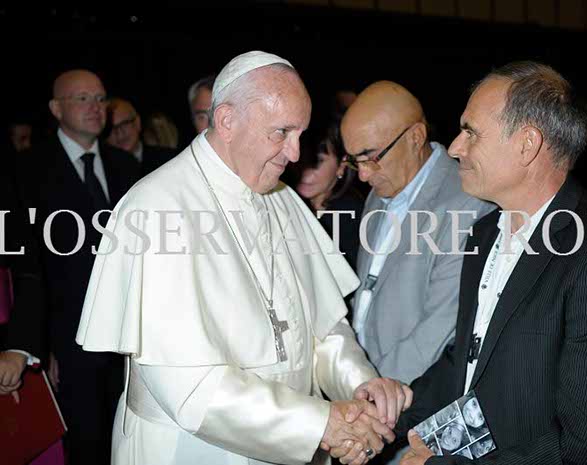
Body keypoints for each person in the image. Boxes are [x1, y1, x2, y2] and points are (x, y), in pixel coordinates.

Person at [76, 51, 411, 465]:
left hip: (293, 444)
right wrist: (322, 424)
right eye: (281, 132)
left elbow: (323, 329)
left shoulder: (283, 200)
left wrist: (359, 385)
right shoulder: (157, 208)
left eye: (300, 133)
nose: (294, 153)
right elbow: (190, 387)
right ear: (227, 121)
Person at [394, 61, 587, 465]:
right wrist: (389, 416)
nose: (454, 147)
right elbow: (468, 362)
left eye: (471, 132)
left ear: (527, 145)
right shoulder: (485, 235)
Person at [5, 69, 141, 465]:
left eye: (100, 99)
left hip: (128, 341)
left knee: (127, 443)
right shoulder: (26, 171)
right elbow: (27, 268)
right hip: (66, 344)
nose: (95, 108)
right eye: (82, 99)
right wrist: (40, 343)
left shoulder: (127, 167)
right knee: (83, 447)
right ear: (55, 108)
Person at [341, 81, 493, 383]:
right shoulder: (380, 189)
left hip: (406, 398)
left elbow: (437, 332)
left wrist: (373, 399)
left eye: (371, 157)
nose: (363, 174)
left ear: (415, 136)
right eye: (353, 160)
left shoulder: (466, 202)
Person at [296, 111, 364, 270]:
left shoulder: (351, 217)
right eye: (301, 159)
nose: (306, 171)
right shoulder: (284, 202)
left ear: (341, 165)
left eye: (318, 161)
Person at [106, 97, 176, 176]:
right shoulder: (105, 172)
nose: (119, 132)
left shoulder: (169, 160)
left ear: (137, 123)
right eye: (111, 128)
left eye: (124, 123)